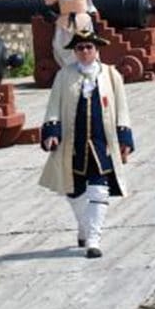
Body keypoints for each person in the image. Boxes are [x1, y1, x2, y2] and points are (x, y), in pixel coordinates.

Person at [39, 29, 134, 259]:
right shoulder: (64, 76)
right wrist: (52, 132)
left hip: (102, 142)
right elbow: (53, 106)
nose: (84, 52)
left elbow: (122, 108)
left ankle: (93, 238)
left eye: (88, 48)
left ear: (96, 50)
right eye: (79, 48)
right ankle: (84, 225)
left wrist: (124, 139)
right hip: (74, 142)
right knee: (73, 190)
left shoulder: (111, 75)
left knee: (99, 189)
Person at [44, 0, 100, 67]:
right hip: (82, 20)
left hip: (65, 21)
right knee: (87, 43)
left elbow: (48, 1)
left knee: (63, 47)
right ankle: (88, 64)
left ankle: (70, 67)